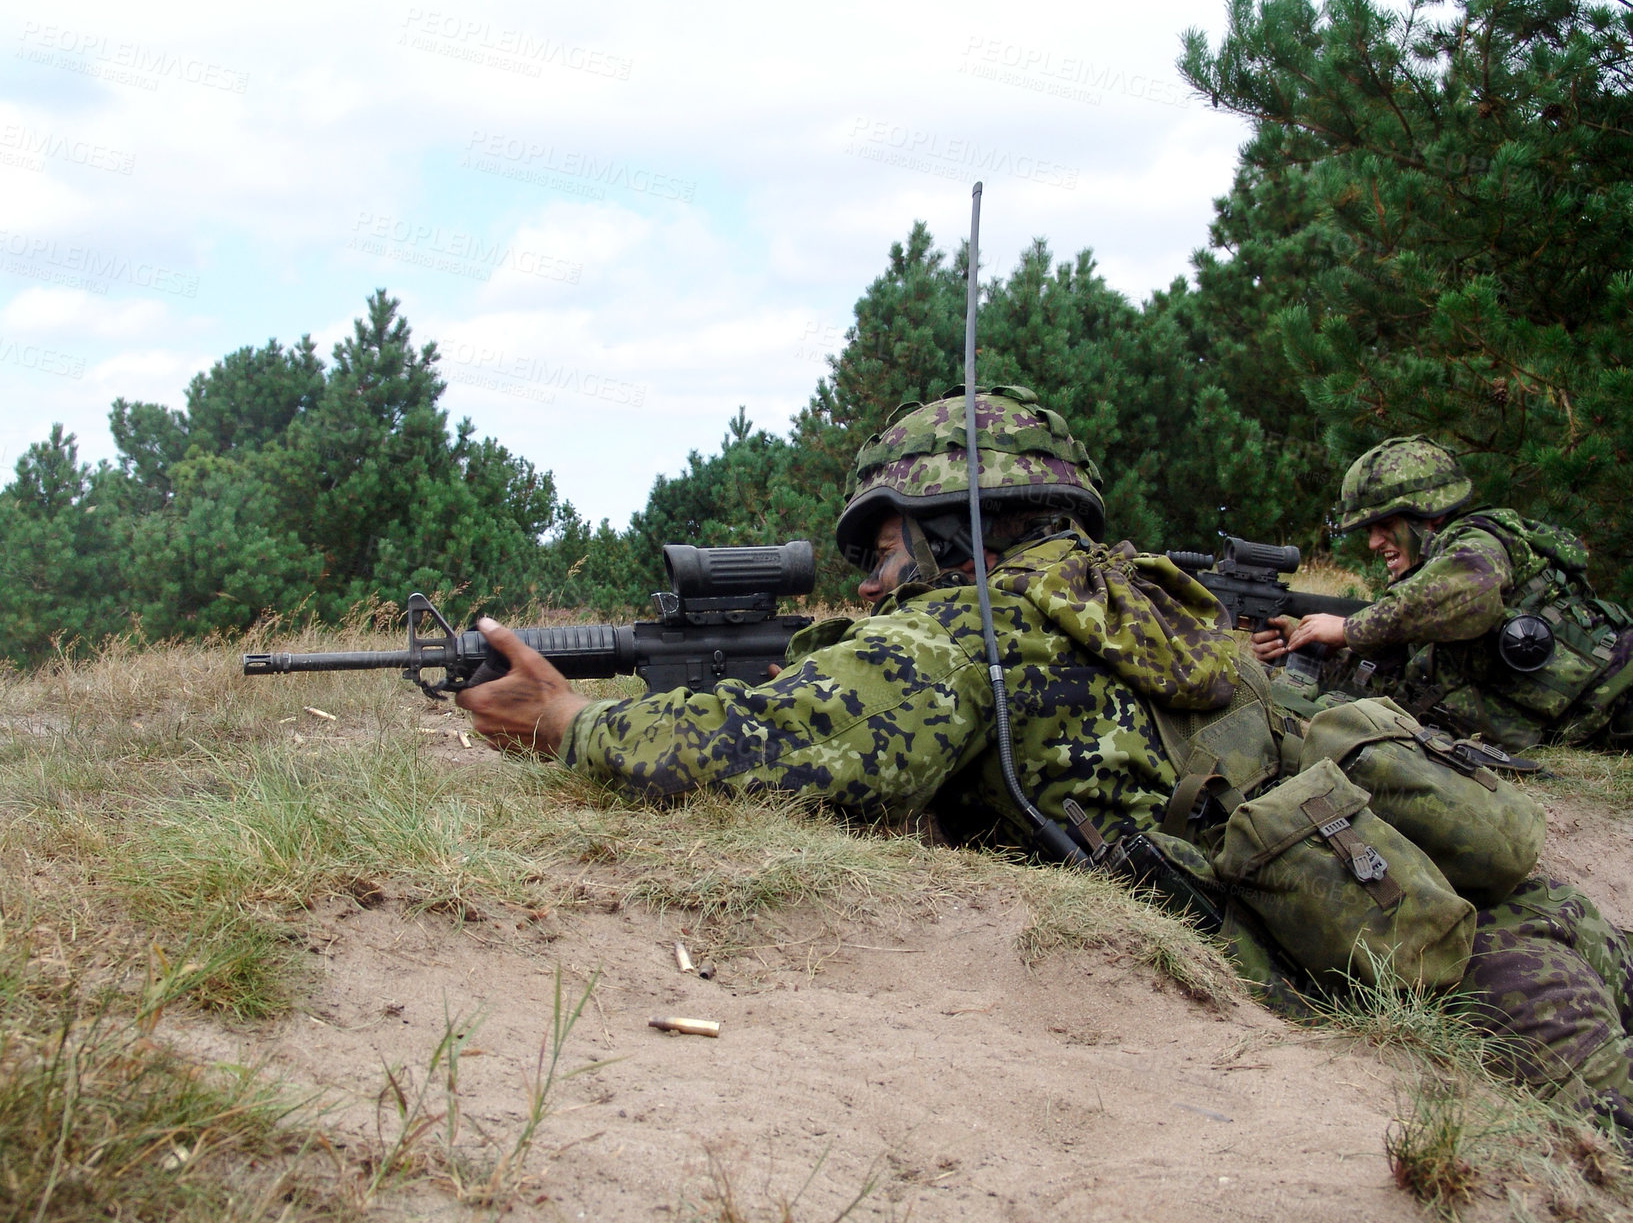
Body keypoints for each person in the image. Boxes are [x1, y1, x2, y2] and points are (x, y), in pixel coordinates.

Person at [459, 388, 1633, 1148]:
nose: (870, 581)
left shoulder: (975, 629)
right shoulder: (1144, 602)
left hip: (1472, 978)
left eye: (879, 545)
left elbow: (800, 752)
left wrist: (575, 723)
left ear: (958, 526)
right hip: (1501, 904)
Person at [1252, 435, 1633, 752]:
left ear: (1428, 514)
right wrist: (1313, 652)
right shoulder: (1427, 586)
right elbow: (1413, 689)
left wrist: (1350, 629)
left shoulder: (1475, 544)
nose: (1372, 542)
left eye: (1384, 525)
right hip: (1598, 723)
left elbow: (1472, 595)